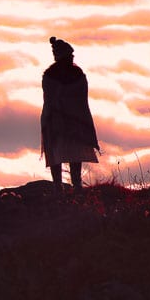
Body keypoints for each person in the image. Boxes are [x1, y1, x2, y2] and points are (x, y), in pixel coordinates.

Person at [41, 36, 99, 193]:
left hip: (66, 120)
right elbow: (53, 99)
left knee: (70, 152)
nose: (72, 57)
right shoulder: (62, 75)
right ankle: (61, 186)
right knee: (60, 152)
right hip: (62, 120)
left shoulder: (72, 74)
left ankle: (72, 185)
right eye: (70, 55)